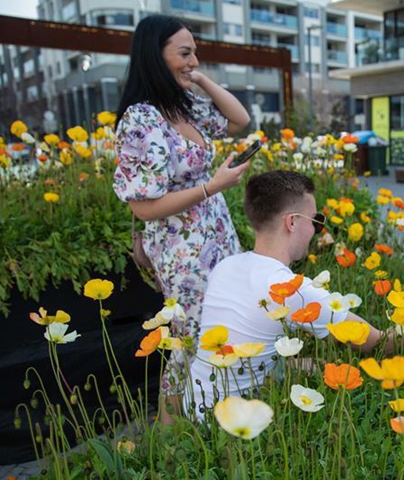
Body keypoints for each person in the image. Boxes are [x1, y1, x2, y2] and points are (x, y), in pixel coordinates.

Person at [188, 170, 404, 417]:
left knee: (312, 366)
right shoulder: (292, 290)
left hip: (194, 410)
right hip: (232, 424)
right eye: (316, 221)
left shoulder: (225, 266)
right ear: (292, 222)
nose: (317, 231)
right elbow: (382, 345)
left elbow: (244, 346)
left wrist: (292, 366)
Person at [112, 15, 251, 421]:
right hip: (180, 247)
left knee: (224, 321)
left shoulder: (182, 106)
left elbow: (239, 120)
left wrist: (198, 78)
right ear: (155, 57)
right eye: (185, 53)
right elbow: (143, 206)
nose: (194, 61)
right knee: (191, 334)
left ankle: (217, 410)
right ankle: (172, 432)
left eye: (195, 53)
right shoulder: (141, 119)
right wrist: (212, 186)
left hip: (217, 233)